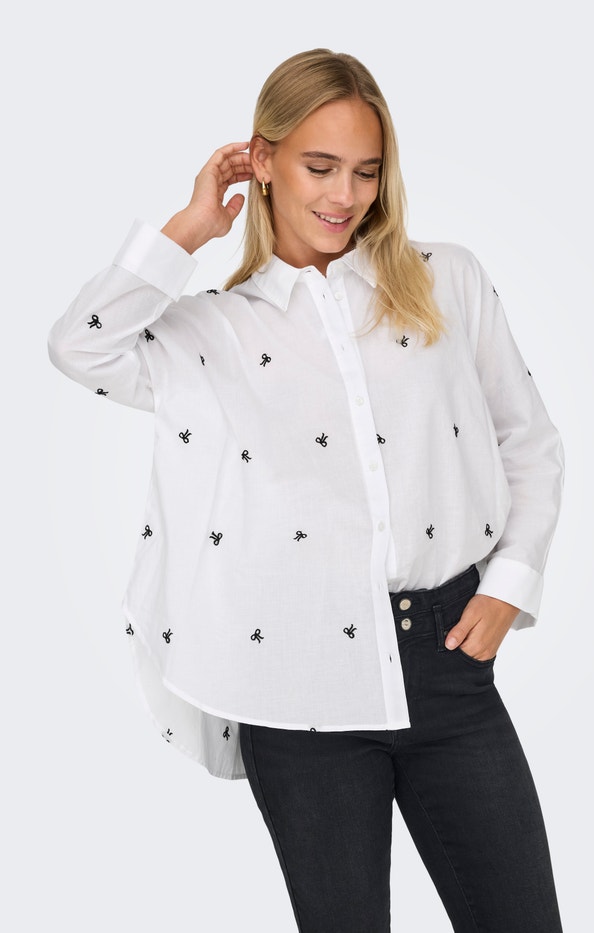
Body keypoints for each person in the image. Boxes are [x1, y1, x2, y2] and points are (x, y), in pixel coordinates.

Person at [48, 48, 565, 933]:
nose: (344, 195)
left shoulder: (447, 280)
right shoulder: (210, 333)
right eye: (319, 166)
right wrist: (189, 228)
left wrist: (509, 582)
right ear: (263, 159)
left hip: (448, 662)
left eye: (366, 170)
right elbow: (79, 346)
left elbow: (529, 439)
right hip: (296, 688)